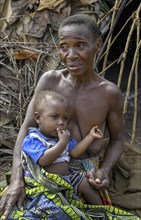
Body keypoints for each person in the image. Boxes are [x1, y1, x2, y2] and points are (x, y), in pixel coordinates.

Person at [0, 14, 124, 219]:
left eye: (80, 45)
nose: (71, 55)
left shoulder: (109, 93)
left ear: (98, 45)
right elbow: (26, 128)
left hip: (82, 176)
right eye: (64, 47)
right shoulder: (50, 80)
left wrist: (105, 170)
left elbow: (118, 139)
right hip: (39, 167)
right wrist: (17, 179)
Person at [22, 89, 103, 205]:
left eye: (65, 118)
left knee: (86, 184)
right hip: (45, 183)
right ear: (38, 118)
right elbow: (43, 160)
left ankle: (103, 212)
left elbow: (74, 153)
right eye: (55, 117)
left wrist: (90, 137)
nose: (61, 122)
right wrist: (62, 143)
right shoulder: (33, 139)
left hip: (66, 179)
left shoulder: (63, 136)